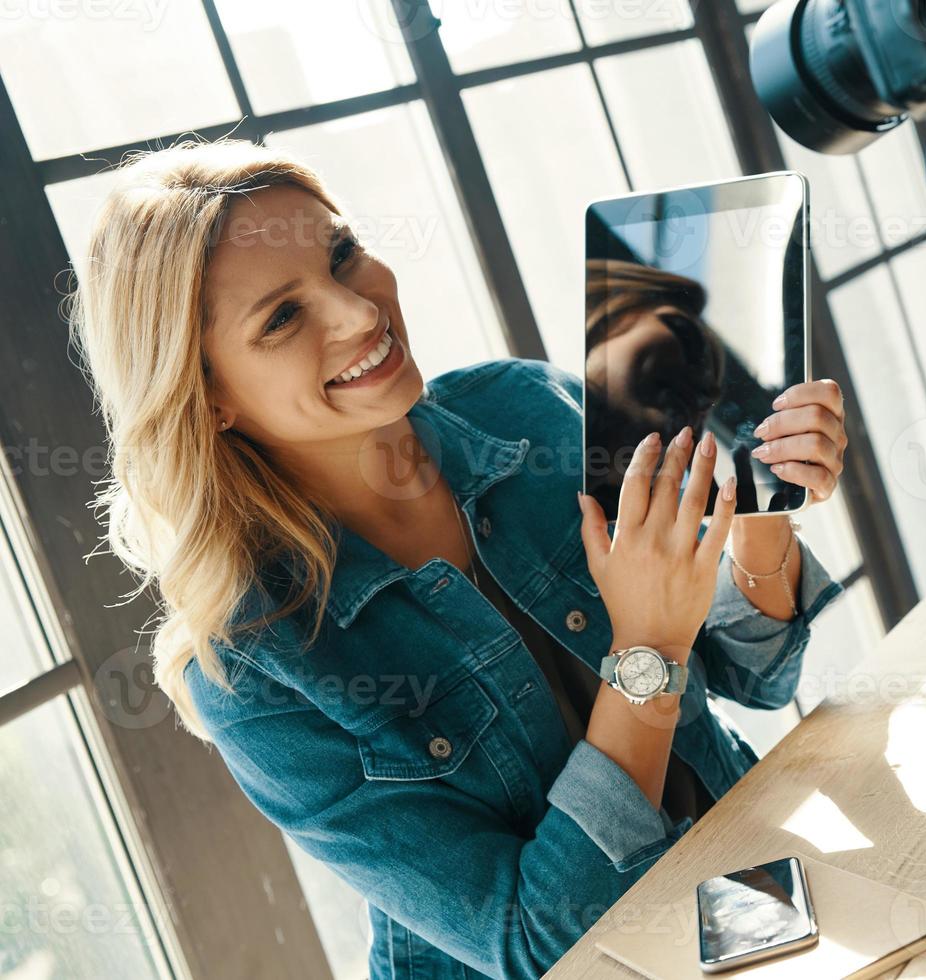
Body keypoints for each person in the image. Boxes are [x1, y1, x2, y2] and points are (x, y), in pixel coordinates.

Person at [65, 138, 850, 979]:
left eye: (343, 255)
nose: (360, 314)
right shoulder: (254, 670)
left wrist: (766, 504)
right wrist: (647, 648)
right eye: (283, 318)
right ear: (208, 396)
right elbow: (535, 938)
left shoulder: (527, 407)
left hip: (749, 886)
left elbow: (749, 676)